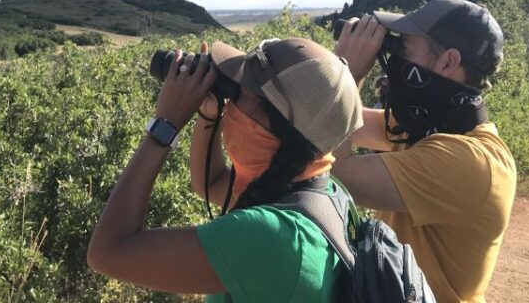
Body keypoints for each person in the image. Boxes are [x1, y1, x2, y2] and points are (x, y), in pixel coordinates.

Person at [88, 38, 363, 301]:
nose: (230, 102)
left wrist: (165, 125)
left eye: (239, 93)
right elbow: (210, 182)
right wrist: (211, 113)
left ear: (273, 125)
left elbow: (108, 252)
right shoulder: (326, 194)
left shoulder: (269, 236)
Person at [331, 0, 517, 303]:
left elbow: (331, 174)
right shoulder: (429, 127)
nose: (396, 62)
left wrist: (347, 73)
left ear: (448, 62)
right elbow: (343, 123)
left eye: (404, 51)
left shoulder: (469, 161)